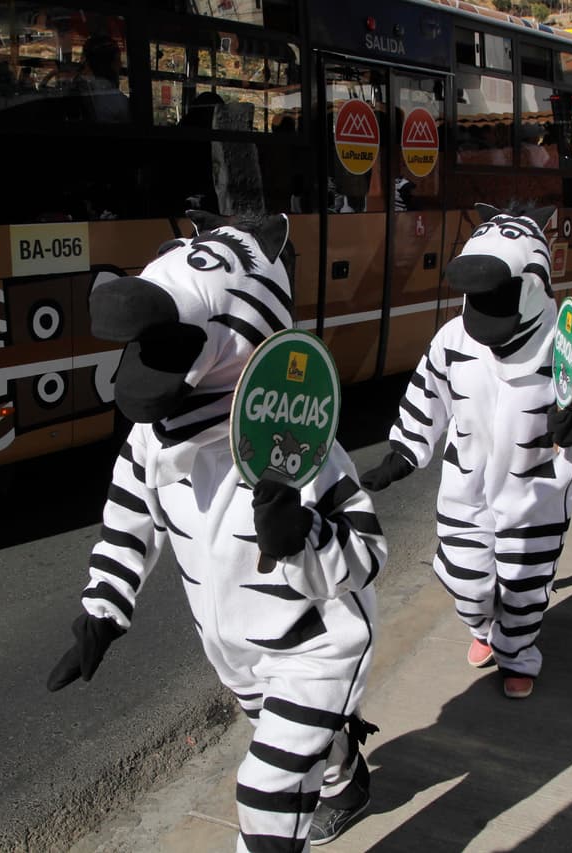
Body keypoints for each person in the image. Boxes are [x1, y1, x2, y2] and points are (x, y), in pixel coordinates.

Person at [46, 213, 385, 849]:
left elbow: (366, 554)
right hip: (233, 649)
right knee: (304, 745)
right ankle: (347, 779)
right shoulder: (149, 441)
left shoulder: (299, 447)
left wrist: (303, 533)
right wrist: (102, 610)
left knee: (267, 791)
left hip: (317, 644)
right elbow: (129, 523)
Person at [360, 204, 572, 700]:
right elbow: (426, 396)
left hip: (536, 491)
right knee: (465, 579)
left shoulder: (561, 342)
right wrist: (403, 452)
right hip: (466, 484)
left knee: (523, 589)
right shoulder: (452, 337)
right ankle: (482, 627)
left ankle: (518, 653)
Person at [76, 35, 128, 123]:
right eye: (118, 60)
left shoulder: (85, 87)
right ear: (111, 64)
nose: (120, 65)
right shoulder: (116, 100)